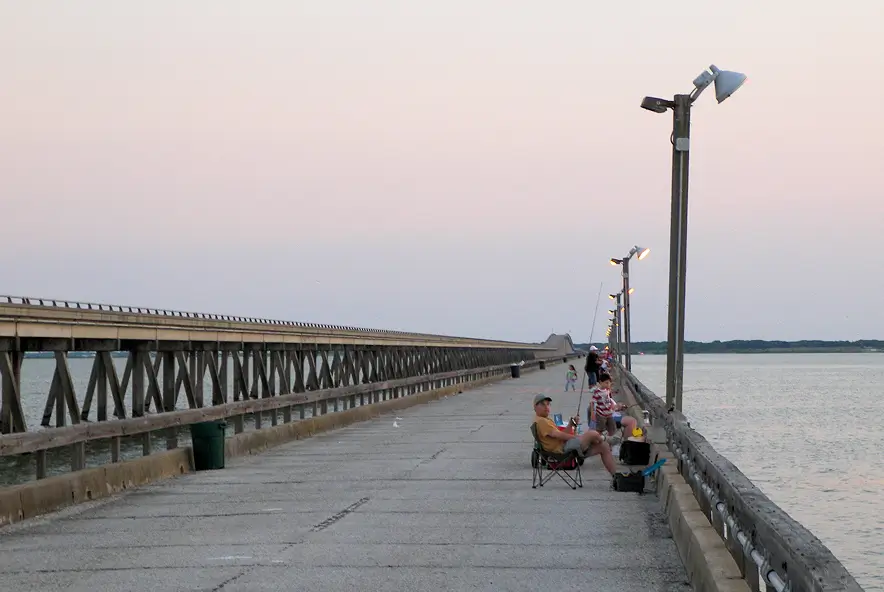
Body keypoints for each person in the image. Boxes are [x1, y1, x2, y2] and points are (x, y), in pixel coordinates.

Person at [532, 394, 616, 474]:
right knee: (592, 434)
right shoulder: (541, 421)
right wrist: (575, 437)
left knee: (604, 447)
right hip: (562, 451)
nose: (546, 407)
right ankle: (607, 439)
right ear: (535, 407)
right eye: (543, 405)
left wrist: (570, 424)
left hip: (564, 447)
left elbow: (561, 434)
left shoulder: (545, 420)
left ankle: (615, 476)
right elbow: (558, 435)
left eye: (548, 404)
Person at [589, 372, 637, 444]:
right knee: (600, 429)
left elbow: (609, 402)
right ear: (600, 382)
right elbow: (592, 403)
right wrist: (592, 413)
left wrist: (618, 407)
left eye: (609, 383)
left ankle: (609, 442)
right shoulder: (597, 392)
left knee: (612, 429)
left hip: (609, 414)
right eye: (606, 383)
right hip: (601, 415)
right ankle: (597, 441)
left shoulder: (607, 390)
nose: (608, 385)